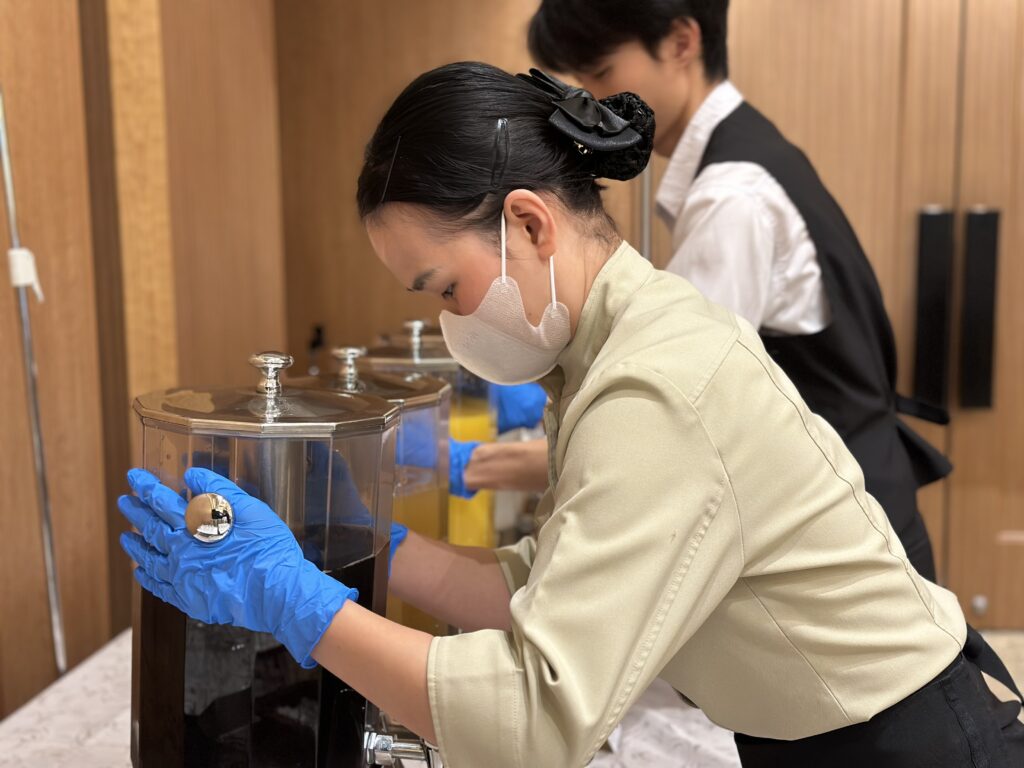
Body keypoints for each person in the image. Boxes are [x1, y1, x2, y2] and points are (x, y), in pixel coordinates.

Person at [120, 62, 1023, 766]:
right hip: (836, 731)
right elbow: (551, 586)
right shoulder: (613, 348)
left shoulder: (655, 386)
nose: (451, 322)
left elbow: (534, 721)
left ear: (529, 224)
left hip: (906, 741)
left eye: (446, 287)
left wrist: (296, 600)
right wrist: (376, 544)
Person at [527, 0, 950, 582]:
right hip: (854, 511)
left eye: (600, 72)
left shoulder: (732, 195)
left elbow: (680, 415)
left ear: (681, 43)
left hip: (851, 546)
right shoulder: (746, 155)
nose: (593, 101)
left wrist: (510, 461)